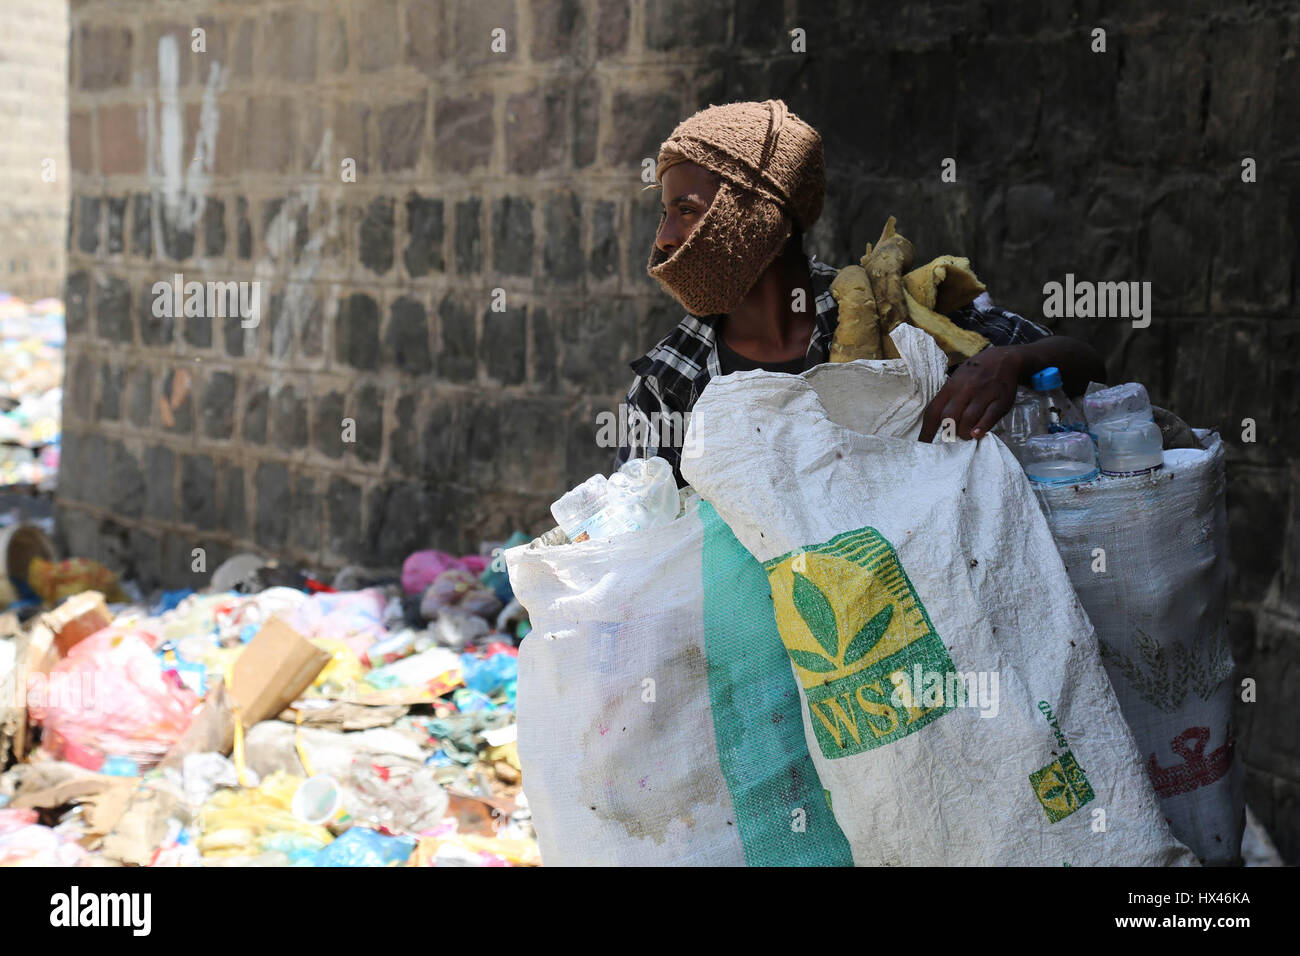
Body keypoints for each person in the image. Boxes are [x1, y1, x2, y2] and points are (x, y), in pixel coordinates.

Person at [614, 99, 1106, 486]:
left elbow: (1090, 369)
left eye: (686, 209)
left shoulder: (888, 307)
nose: (664, 238)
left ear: (762, 216)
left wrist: (1009, 363)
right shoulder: (669, 383)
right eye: (664, 214)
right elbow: (637, 544)